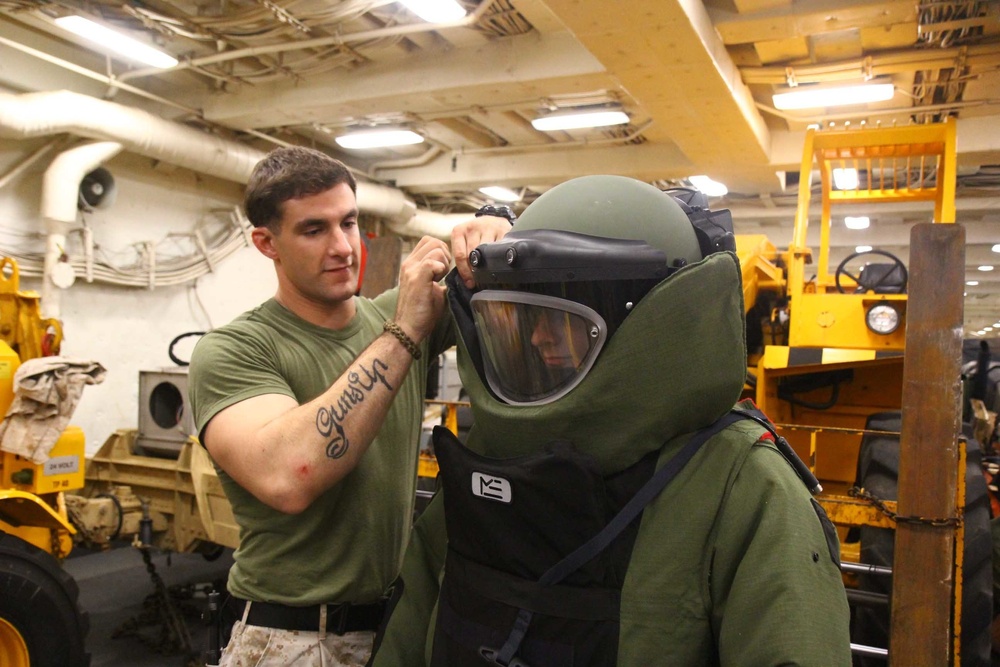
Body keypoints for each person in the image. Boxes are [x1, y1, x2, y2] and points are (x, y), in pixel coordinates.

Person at [371, 174, 853, 666]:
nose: (538, 340)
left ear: (648, 324)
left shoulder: (739, 485)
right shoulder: (496, 455)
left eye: (562, 320)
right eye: (525, 317)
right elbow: (413, 631)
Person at [187, 145, 510, 667]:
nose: (343, 247)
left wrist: (496, 227)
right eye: (314, 230)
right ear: (266, 243)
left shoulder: (398, 316)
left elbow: (499, 287)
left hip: (395, 624)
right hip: (291, 638)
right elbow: (290, 475)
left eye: (350, 222)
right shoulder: (235, 349)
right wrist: (405, 330)